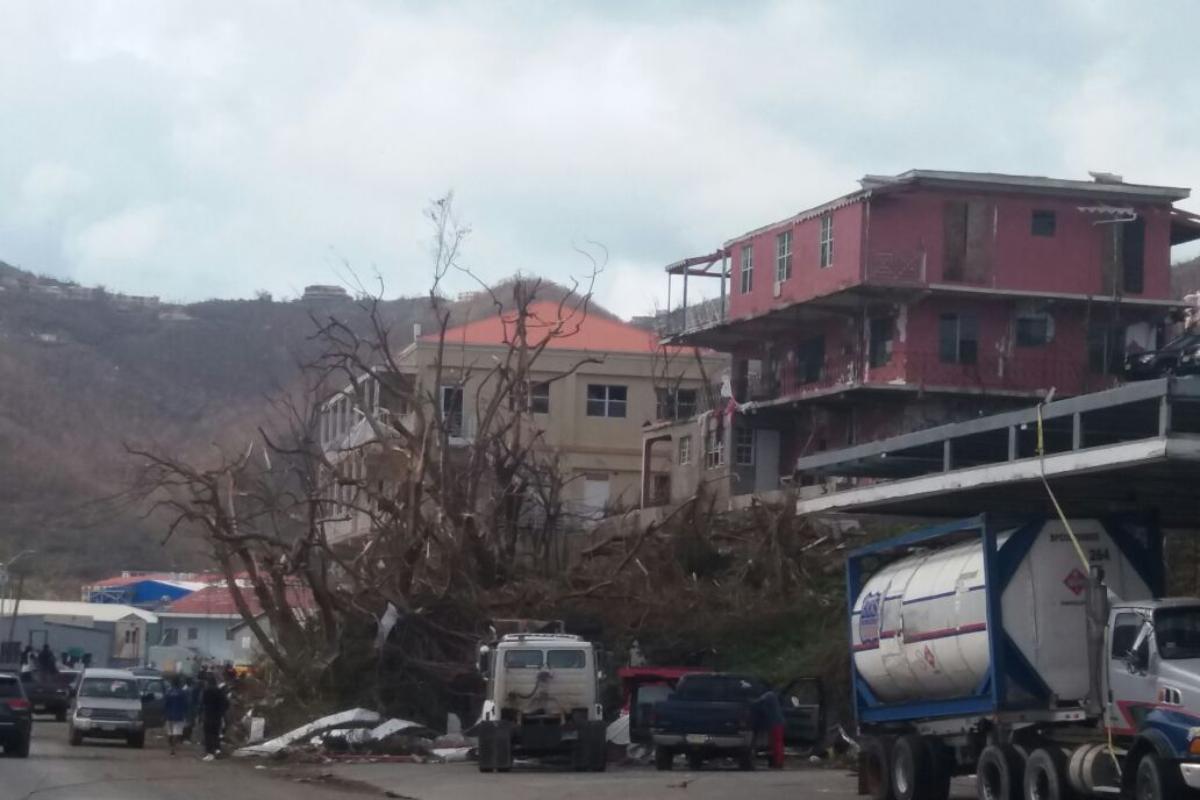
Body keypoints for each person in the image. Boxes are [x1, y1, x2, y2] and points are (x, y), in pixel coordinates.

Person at [200, 676, 228, 761]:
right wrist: (222, 712)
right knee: (216, 734)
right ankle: (217, 750)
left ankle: (210, 753)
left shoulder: (206, 691)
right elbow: (226, 703)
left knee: (208, 734)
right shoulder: (220, 691)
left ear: (208, 682)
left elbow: (202, 703)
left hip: (208, 715)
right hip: (217, 716)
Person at [163, 676, 190, 756]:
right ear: (179, 683)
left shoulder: (168, 692)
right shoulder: (182, 693)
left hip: (169, 715)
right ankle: (173, 749)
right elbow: (186, 705)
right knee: (176, 733)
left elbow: (165, 704)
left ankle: (171, 741)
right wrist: (186, 714)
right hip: (179, 716)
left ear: (172, 683)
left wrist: (164, 714)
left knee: (170, 733)